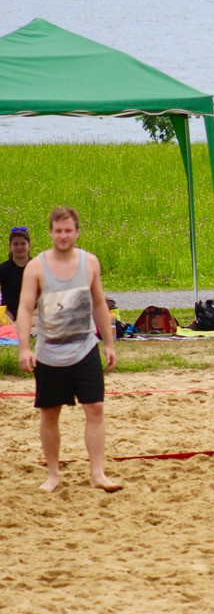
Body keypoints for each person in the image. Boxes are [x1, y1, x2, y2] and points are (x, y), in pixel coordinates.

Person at [15, 207, 121, 493]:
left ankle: (97, 473)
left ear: (77, 232)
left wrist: (109, 342)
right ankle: (53, 475)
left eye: (68, 230)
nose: (63, 235)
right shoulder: (36, 267)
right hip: (50, 352)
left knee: (96, 408)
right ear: (50, 233)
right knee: (50, 413)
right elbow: (25, 308)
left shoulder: (90, 263)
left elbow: (100, 304)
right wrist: (25, 348)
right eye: (58, 230)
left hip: (85, 347)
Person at [1, 226, 32, 324]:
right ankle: (18, 327)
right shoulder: (3, 268)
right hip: (9, 313)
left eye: (23, 244)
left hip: (33, 312)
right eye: (16, 244)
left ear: (29, 245)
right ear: (10, 246)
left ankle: (13, 328)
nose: (19, 247)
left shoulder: (37, 267)